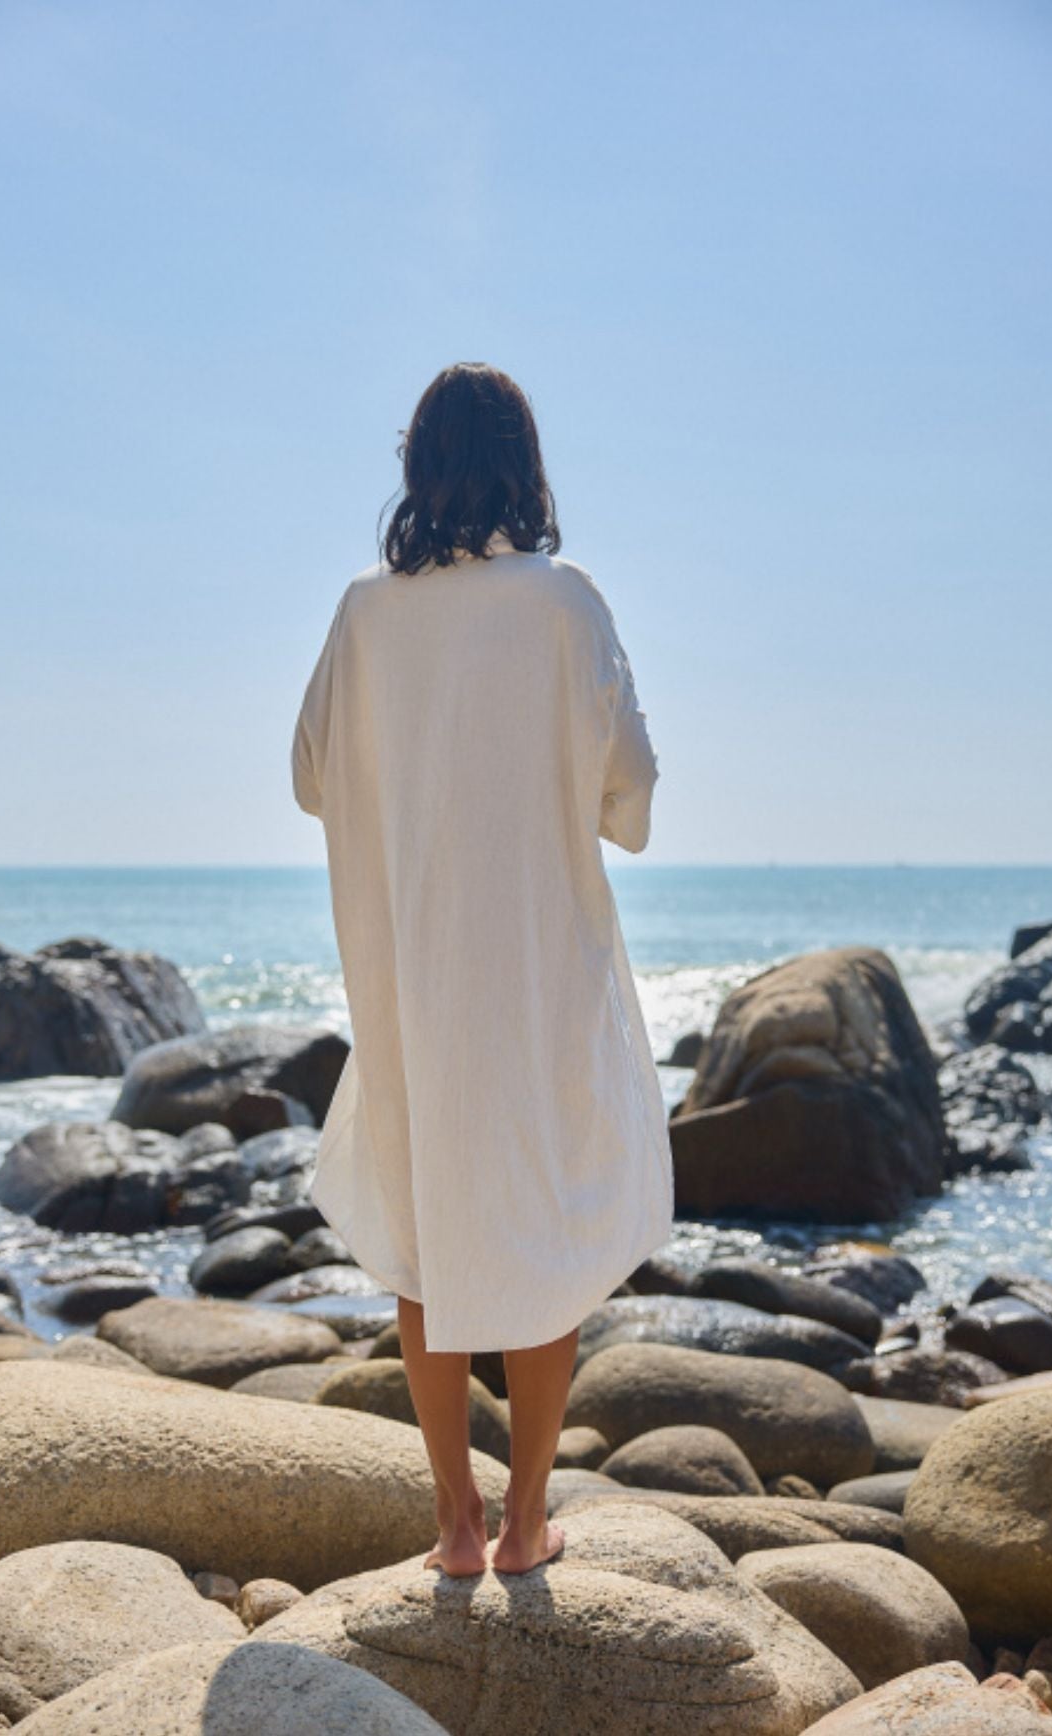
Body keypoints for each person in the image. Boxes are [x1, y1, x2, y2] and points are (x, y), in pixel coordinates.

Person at [291, 362, 673, 1577]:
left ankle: (454, 1519)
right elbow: (632, 795)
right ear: (525, 460)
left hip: (412, 967)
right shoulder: (563, 600)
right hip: (535, 966)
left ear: (418, 466)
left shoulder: (363, 611)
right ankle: (525, 1520)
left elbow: (310, 775)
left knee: (425, 1230)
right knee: (542, 1217)